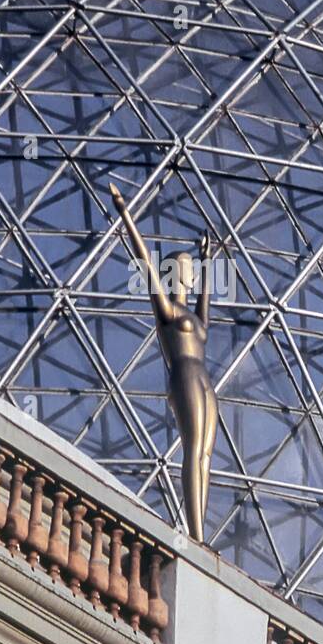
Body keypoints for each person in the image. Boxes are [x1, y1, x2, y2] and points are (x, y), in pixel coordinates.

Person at [109, 183, 217, 540]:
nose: (191, 274)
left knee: (205, 453)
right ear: (173, 274)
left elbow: (205, 309)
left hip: (202, 376)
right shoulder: (167, 309)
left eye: (192, 269)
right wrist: (125, 212)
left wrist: (207, 259)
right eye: (186, 268)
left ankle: (200, 531)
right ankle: (197, 536)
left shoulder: (191, 314)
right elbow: (144, 262)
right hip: (184, 373)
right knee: (192, 447)